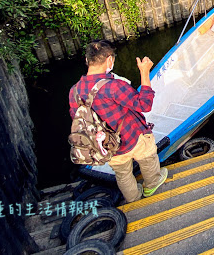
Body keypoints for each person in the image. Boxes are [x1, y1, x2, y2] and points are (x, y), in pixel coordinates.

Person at [68, 40, 167, 203]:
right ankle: (152, 185)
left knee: (123, 174)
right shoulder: (114, 86)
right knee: (148, 159)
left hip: (108, 146)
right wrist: (144, 72)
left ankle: (133, 198)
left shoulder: (75, 91)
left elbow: (77, 118)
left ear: (87, 61)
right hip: (132, 137)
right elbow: (145, 104)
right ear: (109, 60)